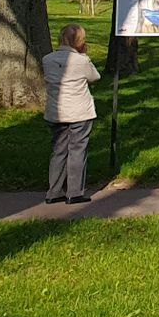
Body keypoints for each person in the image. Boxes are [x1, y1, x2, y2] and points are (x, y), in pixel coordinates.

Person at [42, 23, 100, 204]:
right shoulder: (82, 61)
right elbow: (95, 77)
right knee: (77, 150)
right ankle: (74, 192)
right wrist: (85, 56)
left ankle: (54, 191)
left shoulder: (47, 59)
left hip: (56, 111)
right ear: (80, 42)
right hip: (79, 112)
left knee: (58, 150)